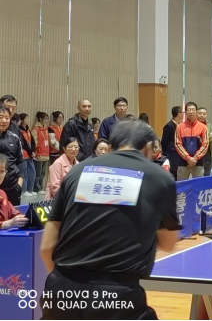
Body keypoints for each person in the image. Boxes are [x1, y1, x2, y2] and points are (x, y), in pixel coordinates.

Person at [39, 120, 180, 320]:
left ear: (111, 146)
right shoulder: (160, 178)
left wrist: (65, 284)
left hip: (60, 289)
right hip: (117, 295)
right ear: (149, 147)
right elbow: (168, 243)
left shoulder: (77, 172)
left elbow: (46, 247)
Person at [175, 102, 209, 180]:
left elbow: (205, 145)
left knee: (198, 186)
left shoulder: (203, 127)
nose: (191, 112)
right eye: (189, 110)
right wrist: (188, 158)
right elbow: (177, 144)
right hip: (182, 163)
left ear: (196, 112)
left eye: (193, 110)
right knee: (182, 186)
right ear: (185, 112)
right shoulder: (179, 127)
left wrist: (195, 158)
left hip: (198, 162)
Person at [0, 104, 25, 206]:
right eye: (1, 117)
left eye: (7, 118)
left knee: (14, 214)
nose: (4, 120)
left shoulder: (14, 138)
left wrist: (19, 184)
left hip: (13, 188)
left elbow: (21, 162)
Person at [0, 154, 29, 229]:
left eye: (2, 171)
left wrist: (24, 218)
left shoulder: (2, 194)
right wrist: (8, 224)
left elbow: (14, 212)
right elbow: (9, 223)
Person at [161, 106, 184, 179]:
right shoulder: (169, 126)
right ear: (179, 114)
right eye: (182, 113)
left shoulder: (180, 125)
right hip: (171, 154)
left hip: (179, 155)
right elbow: (164, 142)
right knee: (172, 175)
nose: (183, 114)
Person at [32, 112, 50, 195]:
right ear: (40, 119)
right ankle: (36, 188)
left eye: (47, 119)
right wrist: (35, 151)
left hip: (45, 154)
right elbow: (34, 142)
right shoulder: (35, 130)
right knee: (38, 173)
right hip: (38, 155)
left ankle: (41, 187)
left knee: (43, 173)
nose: (46, 120)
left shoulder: (45, 129)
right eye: (45, 118)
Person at [197, 107, 212, 177]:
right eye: (200, 113)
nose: (202, 115)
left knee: (207, 174)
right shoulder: (194, 126)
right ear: (196, 114)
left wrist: (205, 138)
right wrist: (209, 137)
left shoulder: (208, 125)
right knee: (198, 175)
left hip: (208, 152)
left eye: (204, 114)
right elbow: (198, 140)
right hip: (197, 153)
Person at [19, 114, 37, 198]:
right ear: (22, 120)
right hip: (24, 154)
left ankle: (30, 189)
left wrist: (33, 150)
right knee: (25, 173)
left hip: (30, 154)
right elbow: (24, 144)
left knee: (32, 172)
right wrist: (30, 152)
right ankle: (24, 191)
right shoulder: (19, 130)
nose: (28, 120)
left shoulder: (27, 129)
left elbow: (32, 141)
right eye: (26, 118)